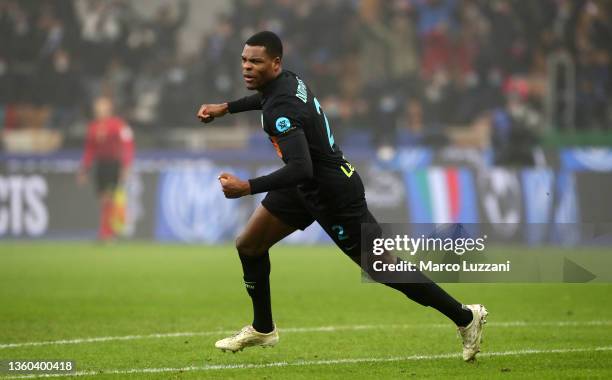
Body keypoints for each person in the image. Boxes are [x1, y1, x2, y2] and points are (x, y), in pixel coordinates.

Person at [197, 31, 487, 361]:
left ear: (275, 63)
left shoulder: (282, 107)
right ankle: (263, 328)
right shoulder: (286, 82)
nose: (247, 67)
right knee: (249, 244)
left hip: (333, 195)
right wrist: (226, 108)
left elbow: (301, 168)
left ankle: (466, 317)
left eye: (256, 62)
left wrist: (247, 187)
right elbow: (264, 101)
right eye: (244, 60)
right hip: (305, 188)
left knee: (382, 267)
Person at [78, 95, 134, 241]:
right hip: (101, 165)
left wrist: (126, 166)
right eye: (98, 107)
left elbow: (127, 145)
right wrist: (84, 169)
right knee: (104, 199)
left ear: (109, 108)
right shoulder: (93, 127)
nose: (99, 109)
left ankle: (107, 232)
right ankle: (108, 231)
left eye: (102, 106)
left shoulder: (117, 125)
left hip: (114, 164)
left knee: (110, 198)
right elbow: (89, 150)